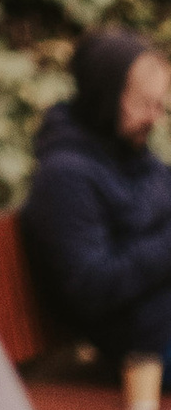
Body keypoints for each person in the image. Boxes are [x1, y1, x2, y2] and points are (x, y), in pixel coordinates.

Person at [20, 27, 171, 360]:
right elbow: (91, 286)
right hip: (146, 346)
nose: (155, 118)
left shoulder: (129, 152)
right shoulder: (65, 177)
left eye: (159, 105)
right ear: (106, 97)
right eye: (145, 105)